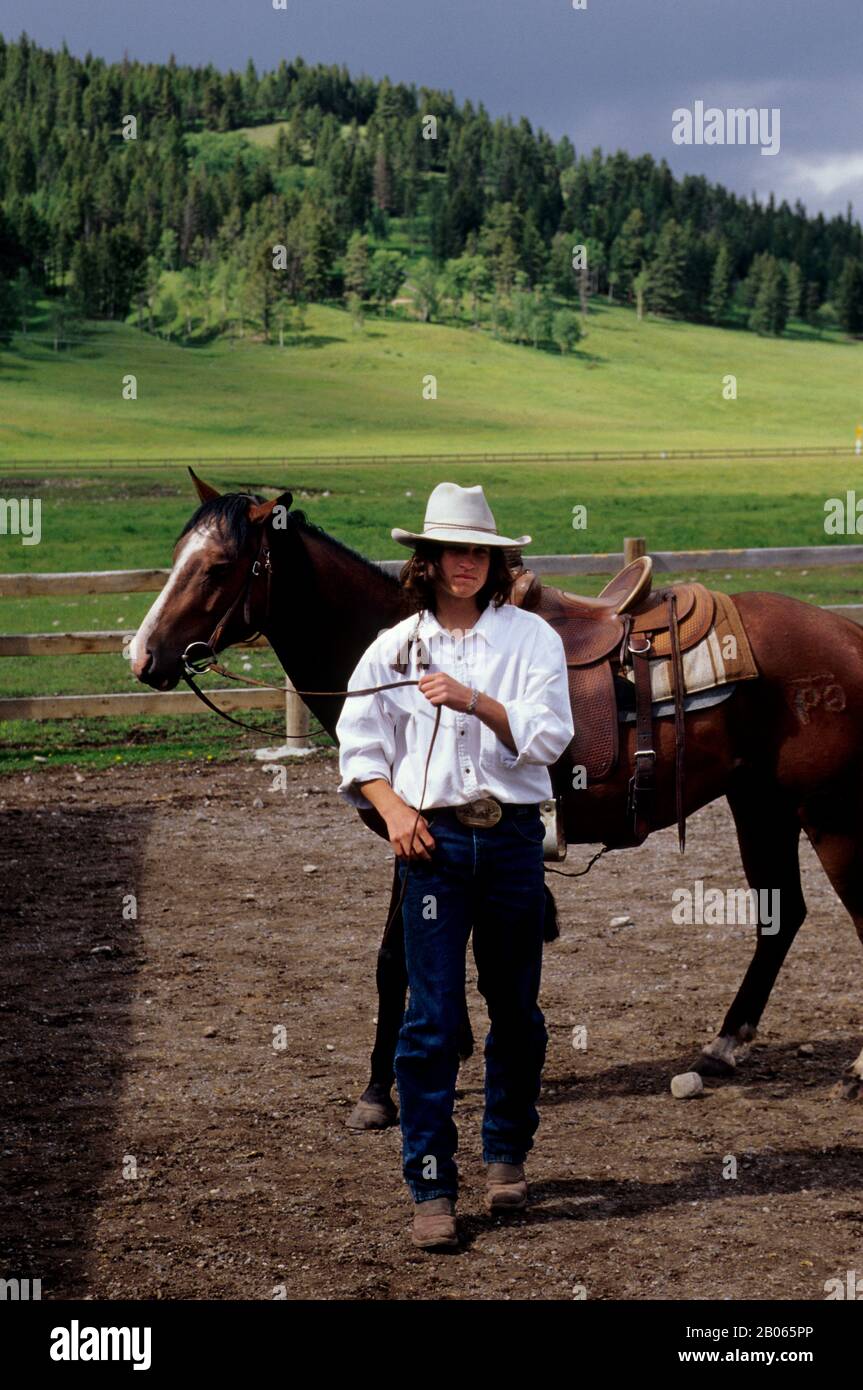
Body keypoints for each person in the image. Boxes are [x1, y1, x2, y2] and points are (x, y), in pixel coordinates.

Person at [336, 482, 574, 1250]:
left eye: (479, 552)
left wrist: (476, 701)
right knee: (431, 1021)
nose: (464, 564)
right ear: (427, 561)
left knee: (516, 1010)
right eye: (451, 551)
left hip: (508, 842)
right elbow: (359, 745)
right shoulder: (395, 646)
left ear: (495, 560)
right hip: (431, 847)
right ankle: (431, 1188)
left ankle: (505, 1154)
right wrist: (396, 812)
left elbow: (548, 741)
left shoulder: (531, 640)